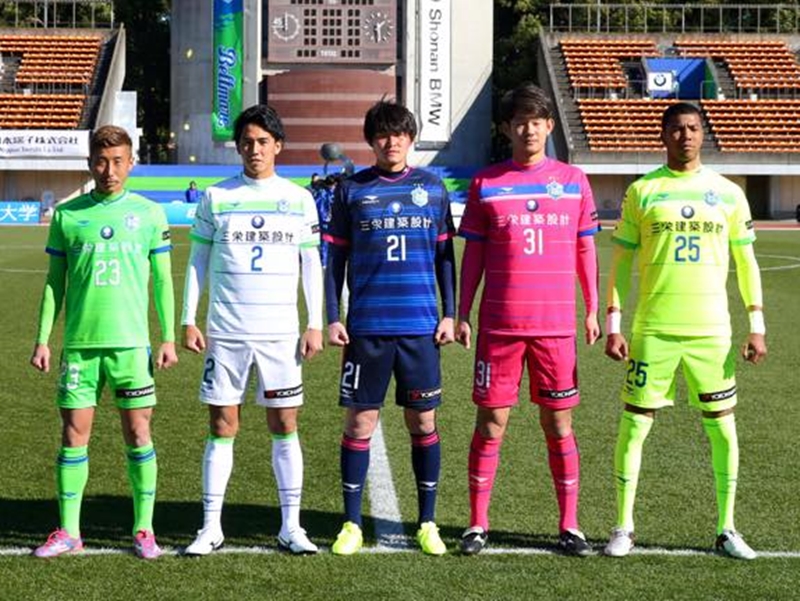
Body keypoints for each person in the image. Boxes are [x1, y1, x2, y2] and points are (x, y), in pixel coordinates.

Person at [603, 102, 767, 560]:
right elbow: (620, 262)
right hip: (653, 329)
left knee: (723, 430)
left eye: (693, 128)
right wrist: (614, 323)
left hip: (711, 331)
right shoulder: (643, 191)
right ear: (663, 135)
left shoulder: (729, 193)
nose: (686, 136)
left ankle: (727, 528)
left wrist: (756, 326)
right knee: (634, 426)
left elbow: (746, 263)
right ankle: (623, 527)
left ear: (703, 134)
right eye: (676, 129)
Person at [456, 84, 601, 556]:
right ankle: (477, 524)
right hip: (499, 327)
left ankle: (570, 525)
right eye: (519, 122)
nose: (528, 129)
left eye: (536, 121)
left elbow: (585, 248)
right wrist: (462, 312)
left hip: (555, 328)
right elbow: (474, 256)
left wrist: (592, 307)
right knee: (491, 422)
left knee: (558, 425)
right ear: (506, 128)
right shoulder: (486, 183)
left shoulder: (574, 180)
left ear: (549, 126)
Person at [181, 104, 324, 556]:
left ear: (278, 145)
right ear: (238, 147)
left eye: (263, 141)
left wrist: (315, 322)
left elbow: (311, 264)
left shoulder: (299, 199)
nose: (254, 149)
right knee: (222, 424)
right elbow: (198, 260)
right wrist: (188, 318)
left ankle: (291, 526)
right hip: (226, 332)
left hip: (280, 334)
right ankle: (210, 527)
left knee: (284, 423)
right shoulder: (216, 196)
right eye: (247, 142)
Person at [30, 125, 178, 559]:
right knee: (73, 434)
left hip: (131, 347)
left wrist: (168, 337)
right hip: (80, 346)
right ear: (89, 163)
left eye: (117, 162)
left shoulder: (150, 214)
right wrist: (42, 339)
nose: (109, 170)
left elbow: (163, 281)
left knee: (139, 432)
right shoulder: (67, 215)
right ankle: (69, 531)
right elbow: (54, 283)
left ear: (131, 163)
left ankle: (144, 529)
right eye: (101, 161)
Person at [324, 100, 456, 556]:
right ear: (371, 140)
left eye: (399, 133)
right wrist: (332, 316)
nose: (391, 141)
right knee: (360, 422)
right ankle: (351, 524)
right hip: (367, 329)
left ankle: (428, 522)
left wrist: (450, 313)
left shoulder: (432, 188)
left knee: (423, 421)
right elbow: (335, 260)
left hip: (420, 328)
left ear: (411, 138)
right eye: (382, 134)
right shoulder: (351, 190)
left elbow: (445, 258)